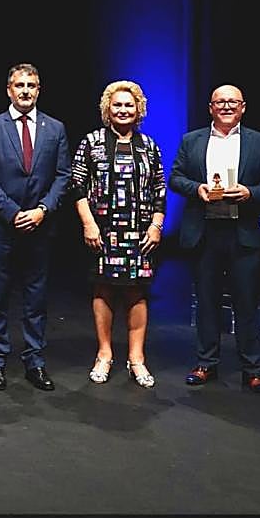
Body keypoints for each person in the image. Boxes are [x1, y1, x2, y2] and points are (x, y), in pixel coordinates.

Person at [169, 85, 260, 395]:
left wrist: (249, 193)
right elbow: (175, 177)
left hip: (242, 232)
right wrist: (198, 189)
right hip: (204, 231)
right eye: (220, 101)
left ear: (243, 107)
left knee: (247, 303)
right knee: (206, 302)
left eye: (232, 102)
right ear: (210, 107)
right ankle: (206, 363)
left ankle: (253, 370)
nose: (226, 106)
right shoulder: (192, 140)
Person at [0, 63, 71, 391]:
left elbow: (63, 176)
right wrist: (14, 212)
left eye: (31, 85)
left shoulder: (55, 128)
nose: (26, 90)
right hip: (4, 226)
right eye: (19, 85)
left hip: (41, 227)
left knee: (36, 297)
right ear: (9, 90)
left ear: (39, 90)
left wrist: (42, 210)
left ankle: (35, 361)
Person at [70, 80, 166, 389]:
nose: (123, 110)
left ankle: (136, 358)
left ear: (139, 109)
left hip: (140, 234)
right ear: (107, 109)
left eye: (129, 105)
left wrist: (156, 225)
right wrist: (88, 223)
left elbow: (159, 190)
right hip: (103, 232)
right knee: (105, 290)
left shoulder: (149, 145)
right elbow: (78, 186)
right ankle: (104, 354)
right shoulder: (91, 142)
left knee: (136, 292)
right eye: (117, 104)